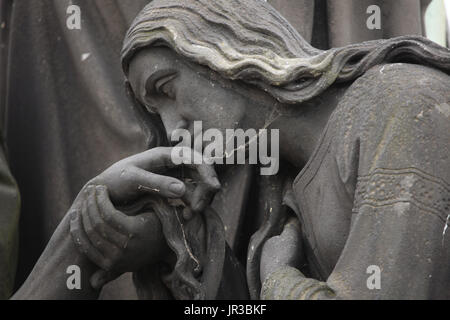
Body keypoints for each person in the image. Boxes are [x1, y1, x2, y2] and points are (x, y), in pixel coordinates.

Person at [13, 0, 450, 299]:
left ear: (221, 49)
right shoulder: (283, 187)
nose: (173, 127)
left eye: (166, 88)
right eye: (155, 112)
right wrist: (168, 241)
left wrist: (278, 278)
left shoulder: (403, 104)